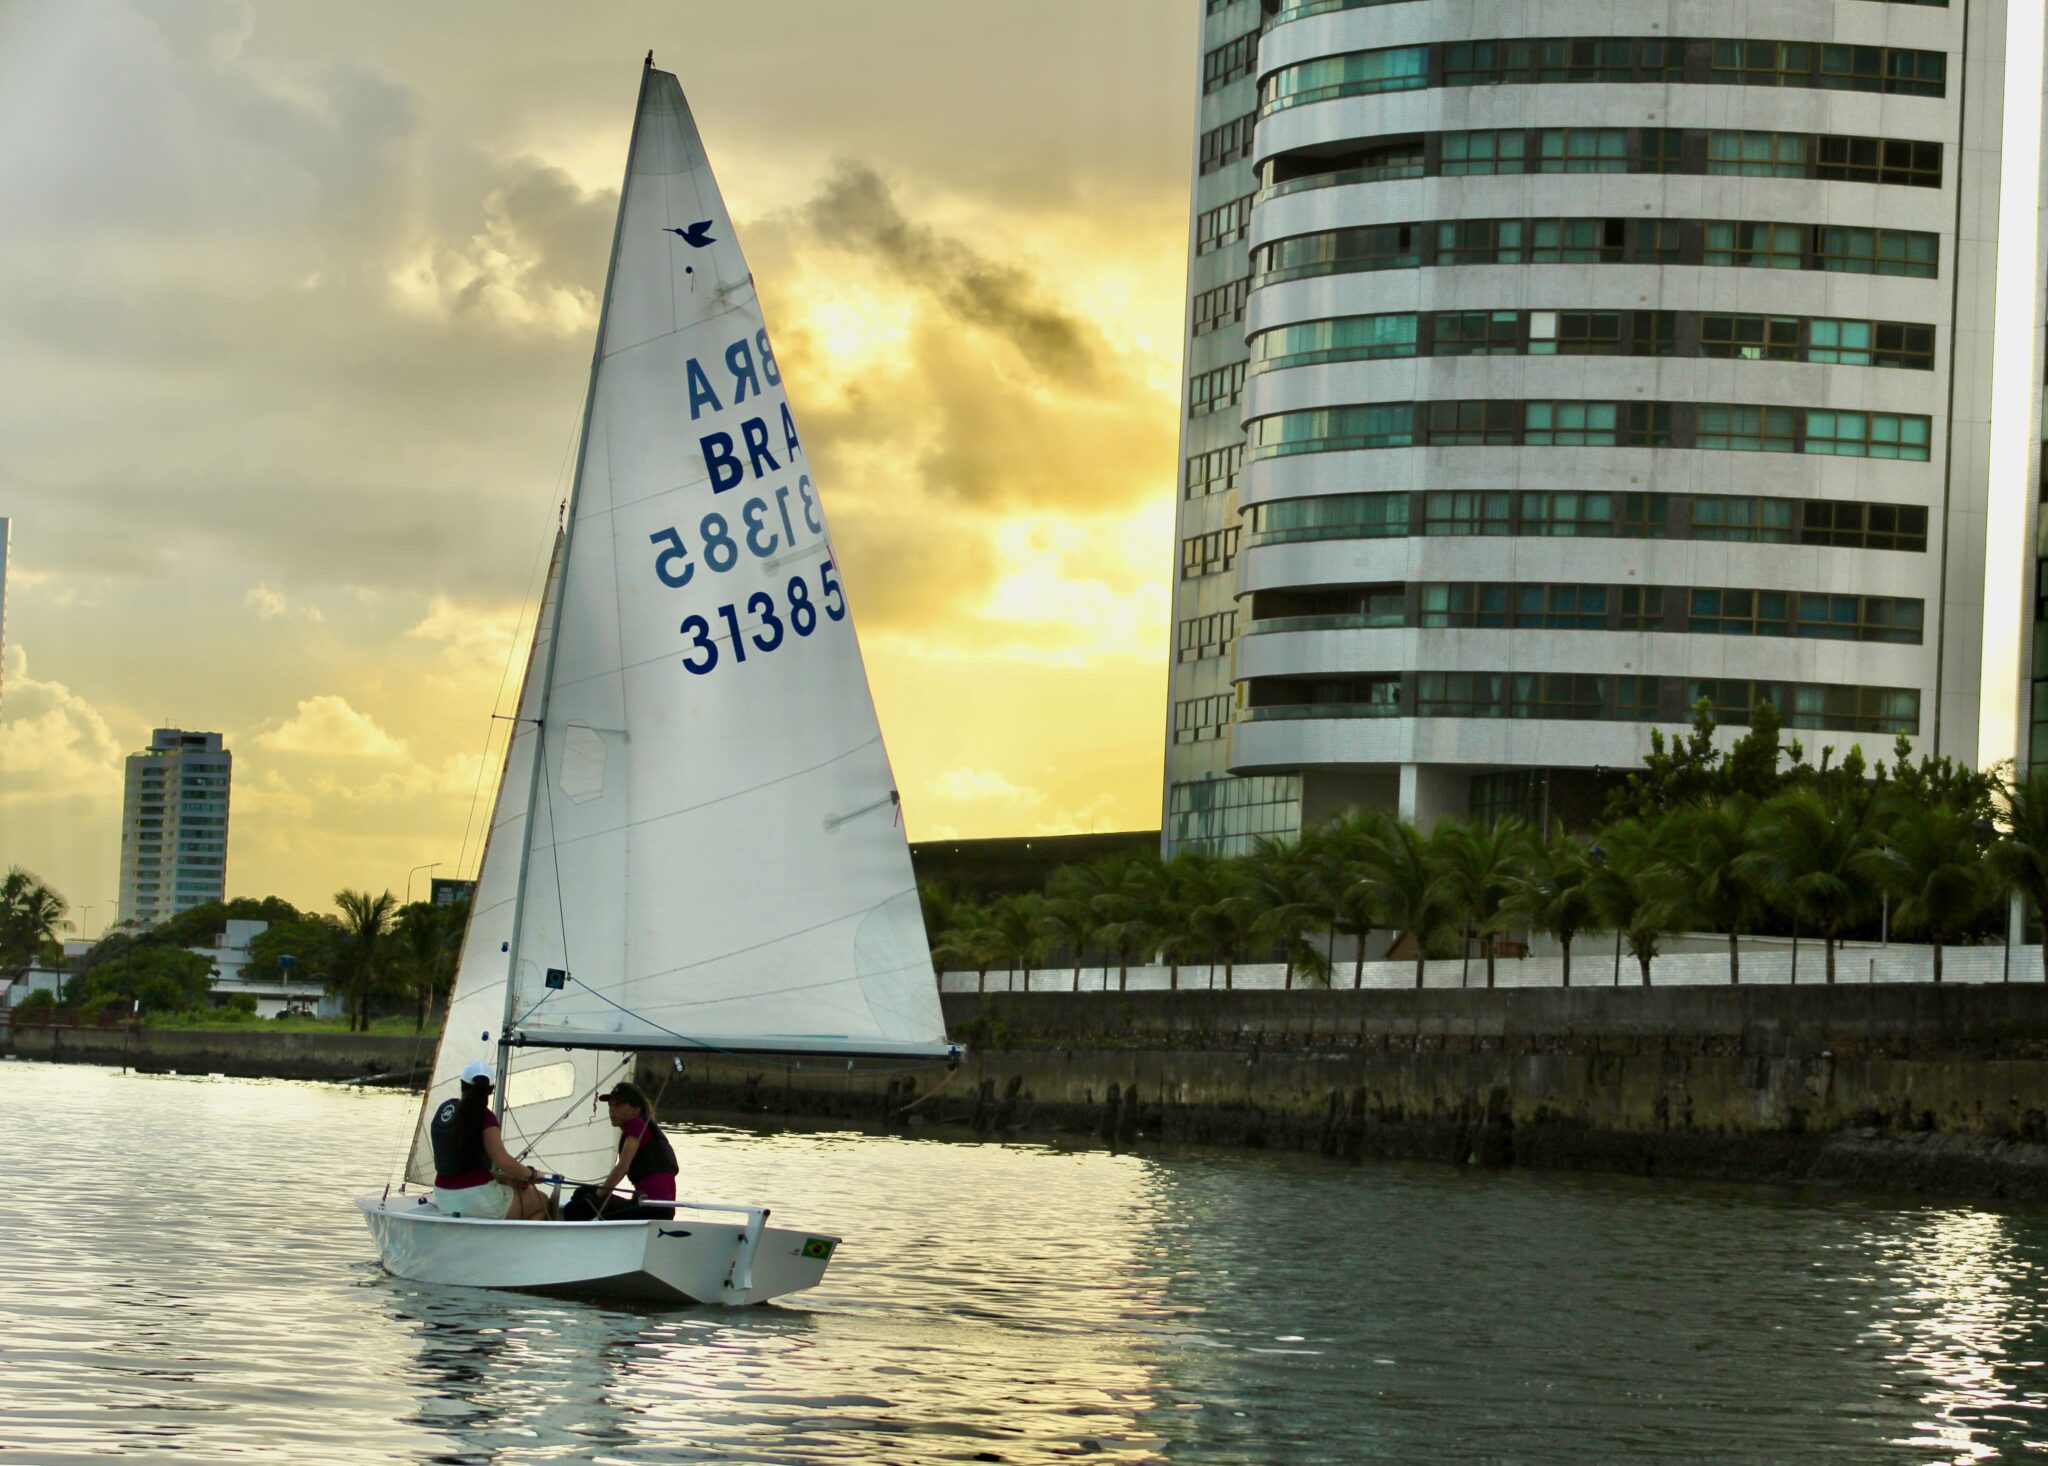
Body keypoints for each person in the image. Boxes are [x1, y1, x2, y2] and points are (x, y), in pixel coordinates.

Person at [429, 1060, 549, 1220]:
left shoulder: (445, 1109)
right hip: (477, 1197)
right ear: (491, 1090)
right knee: (542, 1202)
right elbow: (504, 1162)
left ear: (462, 1085)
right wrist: (532, 1174)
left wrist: (503, 1179)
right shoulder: (486, 1118)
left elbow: (461, 1166)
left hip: (444, 1197)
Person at [563, 1081, 678, 1221]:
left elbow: (623, 1166)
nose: (612, 1110)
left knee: (574, 1208)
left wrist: (598, 1195)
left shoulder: (636, 1124)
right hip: (654, 1206)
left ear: (636, 1109)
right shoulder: (642, 1126)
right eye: (610, 1105)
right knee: (582, 1192)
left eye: (618, 1105)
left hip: (651, 1209)